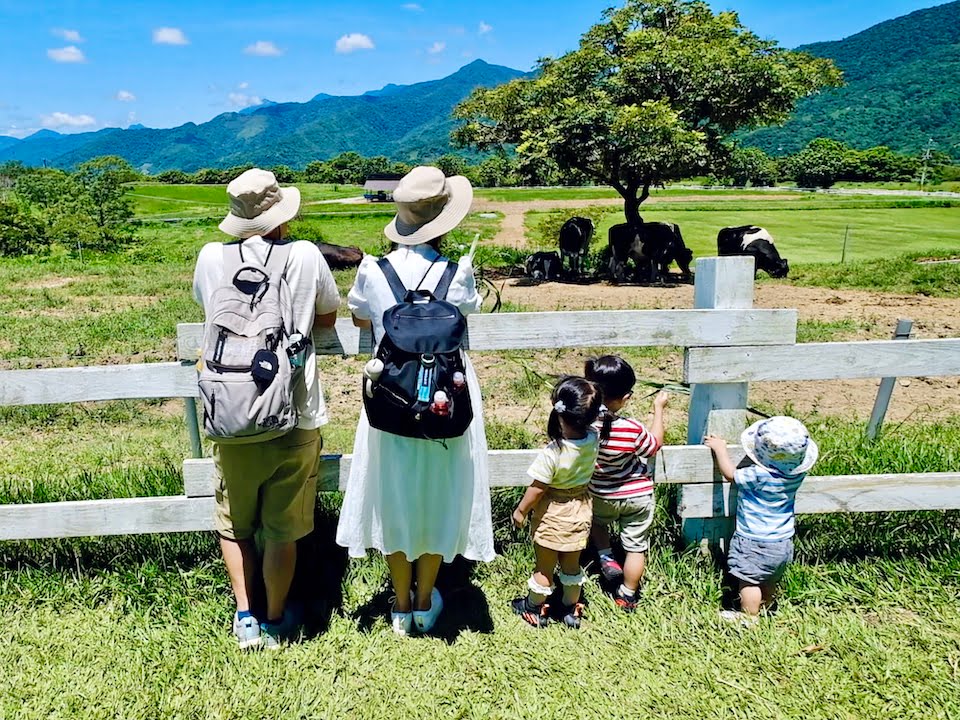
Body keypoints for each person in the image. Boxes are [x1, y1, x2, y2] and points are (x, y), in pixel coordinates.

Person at [335, 166, 495, 636]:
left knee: (395, 495)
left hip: (390, 397)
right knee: (436, 495)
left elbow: (364, 321)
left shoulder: (371, 270)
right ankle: (427, 601)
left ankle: (400, 604)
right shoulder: (458, 273)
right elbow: (464, 319)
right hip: (449, 400)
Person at [193, 168, 340, 649]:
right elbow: (327, 316)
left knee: (235, 523)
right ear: (280, 215)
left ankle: (245, 617)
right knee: (282, 527)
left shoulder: (211, 257)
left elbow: (207, 310)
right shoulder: (303, 255)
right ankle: (277, 617)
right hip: (293, 410)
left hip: (229, 411)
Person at [704, 416, 819, 622]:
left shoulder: (757, 475)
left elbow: (731, 474)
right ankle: (765, 608)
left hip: (753, 539)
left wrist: (720, 449)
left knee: (749, 581)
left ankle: (748, 616)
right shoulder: (796, 476)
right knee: (769, 578)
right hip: (783, 540)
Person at [511, 376, 602, 630]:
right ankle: (571, 609)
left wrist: (520, 511)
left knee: (544, 567)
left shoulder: (553, 452)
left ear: (560, 416)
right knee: (572, 565)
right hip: (580, 509)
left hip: (553, 513)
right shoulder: (593, 439)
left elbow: (538, 488)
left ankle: (534, 607)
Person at [584, 355, 669, 611]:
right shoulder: (631, 428)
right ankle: (628, 594)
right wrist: (659, 409)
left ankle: (606, 555)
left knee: (597, 523)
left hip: (600, 493)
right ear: (625, 398)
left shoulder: (584, 425)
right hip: (637, 495)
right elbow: (653, 445)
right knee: (635, 547)